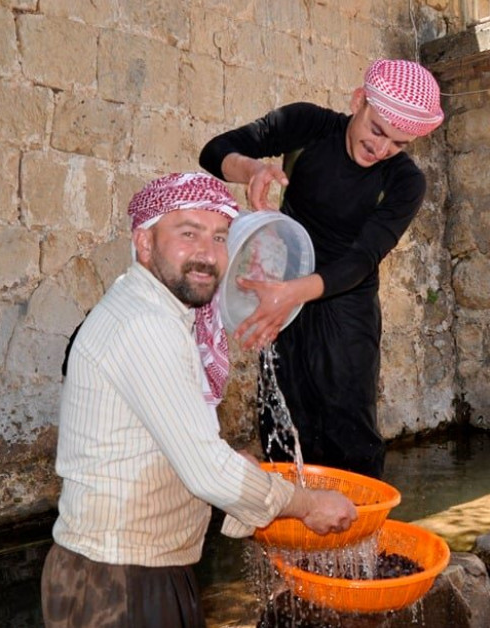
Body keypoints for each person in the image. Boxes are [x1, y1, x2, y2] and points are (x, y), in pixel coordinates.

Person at [41, 172, 357, 628]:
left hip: (128, 569)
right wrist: (307, 504)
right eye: (188, 234)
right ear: (145, 243)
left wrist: (230, 460)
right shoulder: (146, 326)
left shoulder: (153, 310)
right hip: (120, 584)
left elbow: (164, 438)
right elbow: (208, 473)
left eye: (219, 237)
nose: (208, 255)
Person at [199, 59, 444, 480]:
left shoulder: (406, 182)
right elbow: (214, 151)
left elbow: (361, 259)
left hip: (345, 308)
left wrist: (291, 293)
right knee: (281, 423)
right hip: (283, 297)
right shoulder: (308, 125)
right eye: (377, 130)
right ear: (358, 101)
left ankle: (358, 536)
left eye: (398, 143)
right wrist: (253, 169)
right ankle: (287, 531)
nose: (382, 148)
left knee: (349, 432)